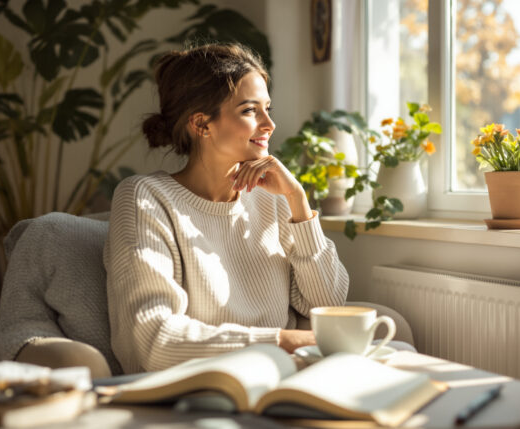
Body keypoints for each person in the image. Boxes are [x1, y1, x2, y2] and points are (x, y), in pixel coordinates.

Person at [104, 43, 349, 374]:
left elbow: (328, 304)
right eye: (249, 111)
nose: (269, 124)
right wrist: (283, 340)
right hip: (205, 383)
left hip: (286, 371)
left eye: (267, 109)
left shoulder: (273, 198)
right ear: (201, 124)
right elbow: (155, 341)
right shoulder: (145, 198)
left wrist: (298, 200)